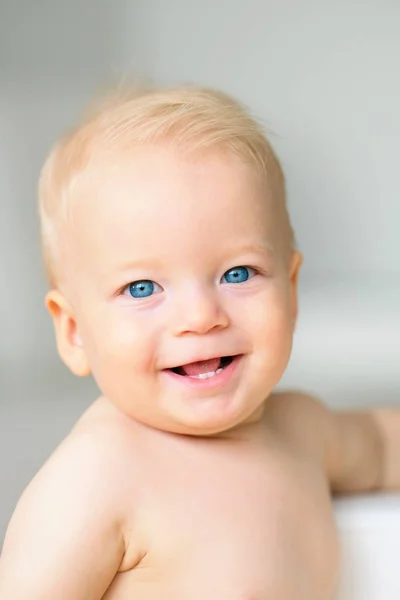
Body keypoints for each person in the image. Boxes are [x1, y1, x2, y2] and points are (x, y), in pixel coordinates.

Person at [0, 84, 398, 600]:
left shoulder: (303, 431)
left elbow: (385, 445)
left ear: (291, 291)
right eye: (142, 288)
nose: (201, 316)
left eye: (238, 273)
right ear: (74, 331)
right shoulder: (97, 476)